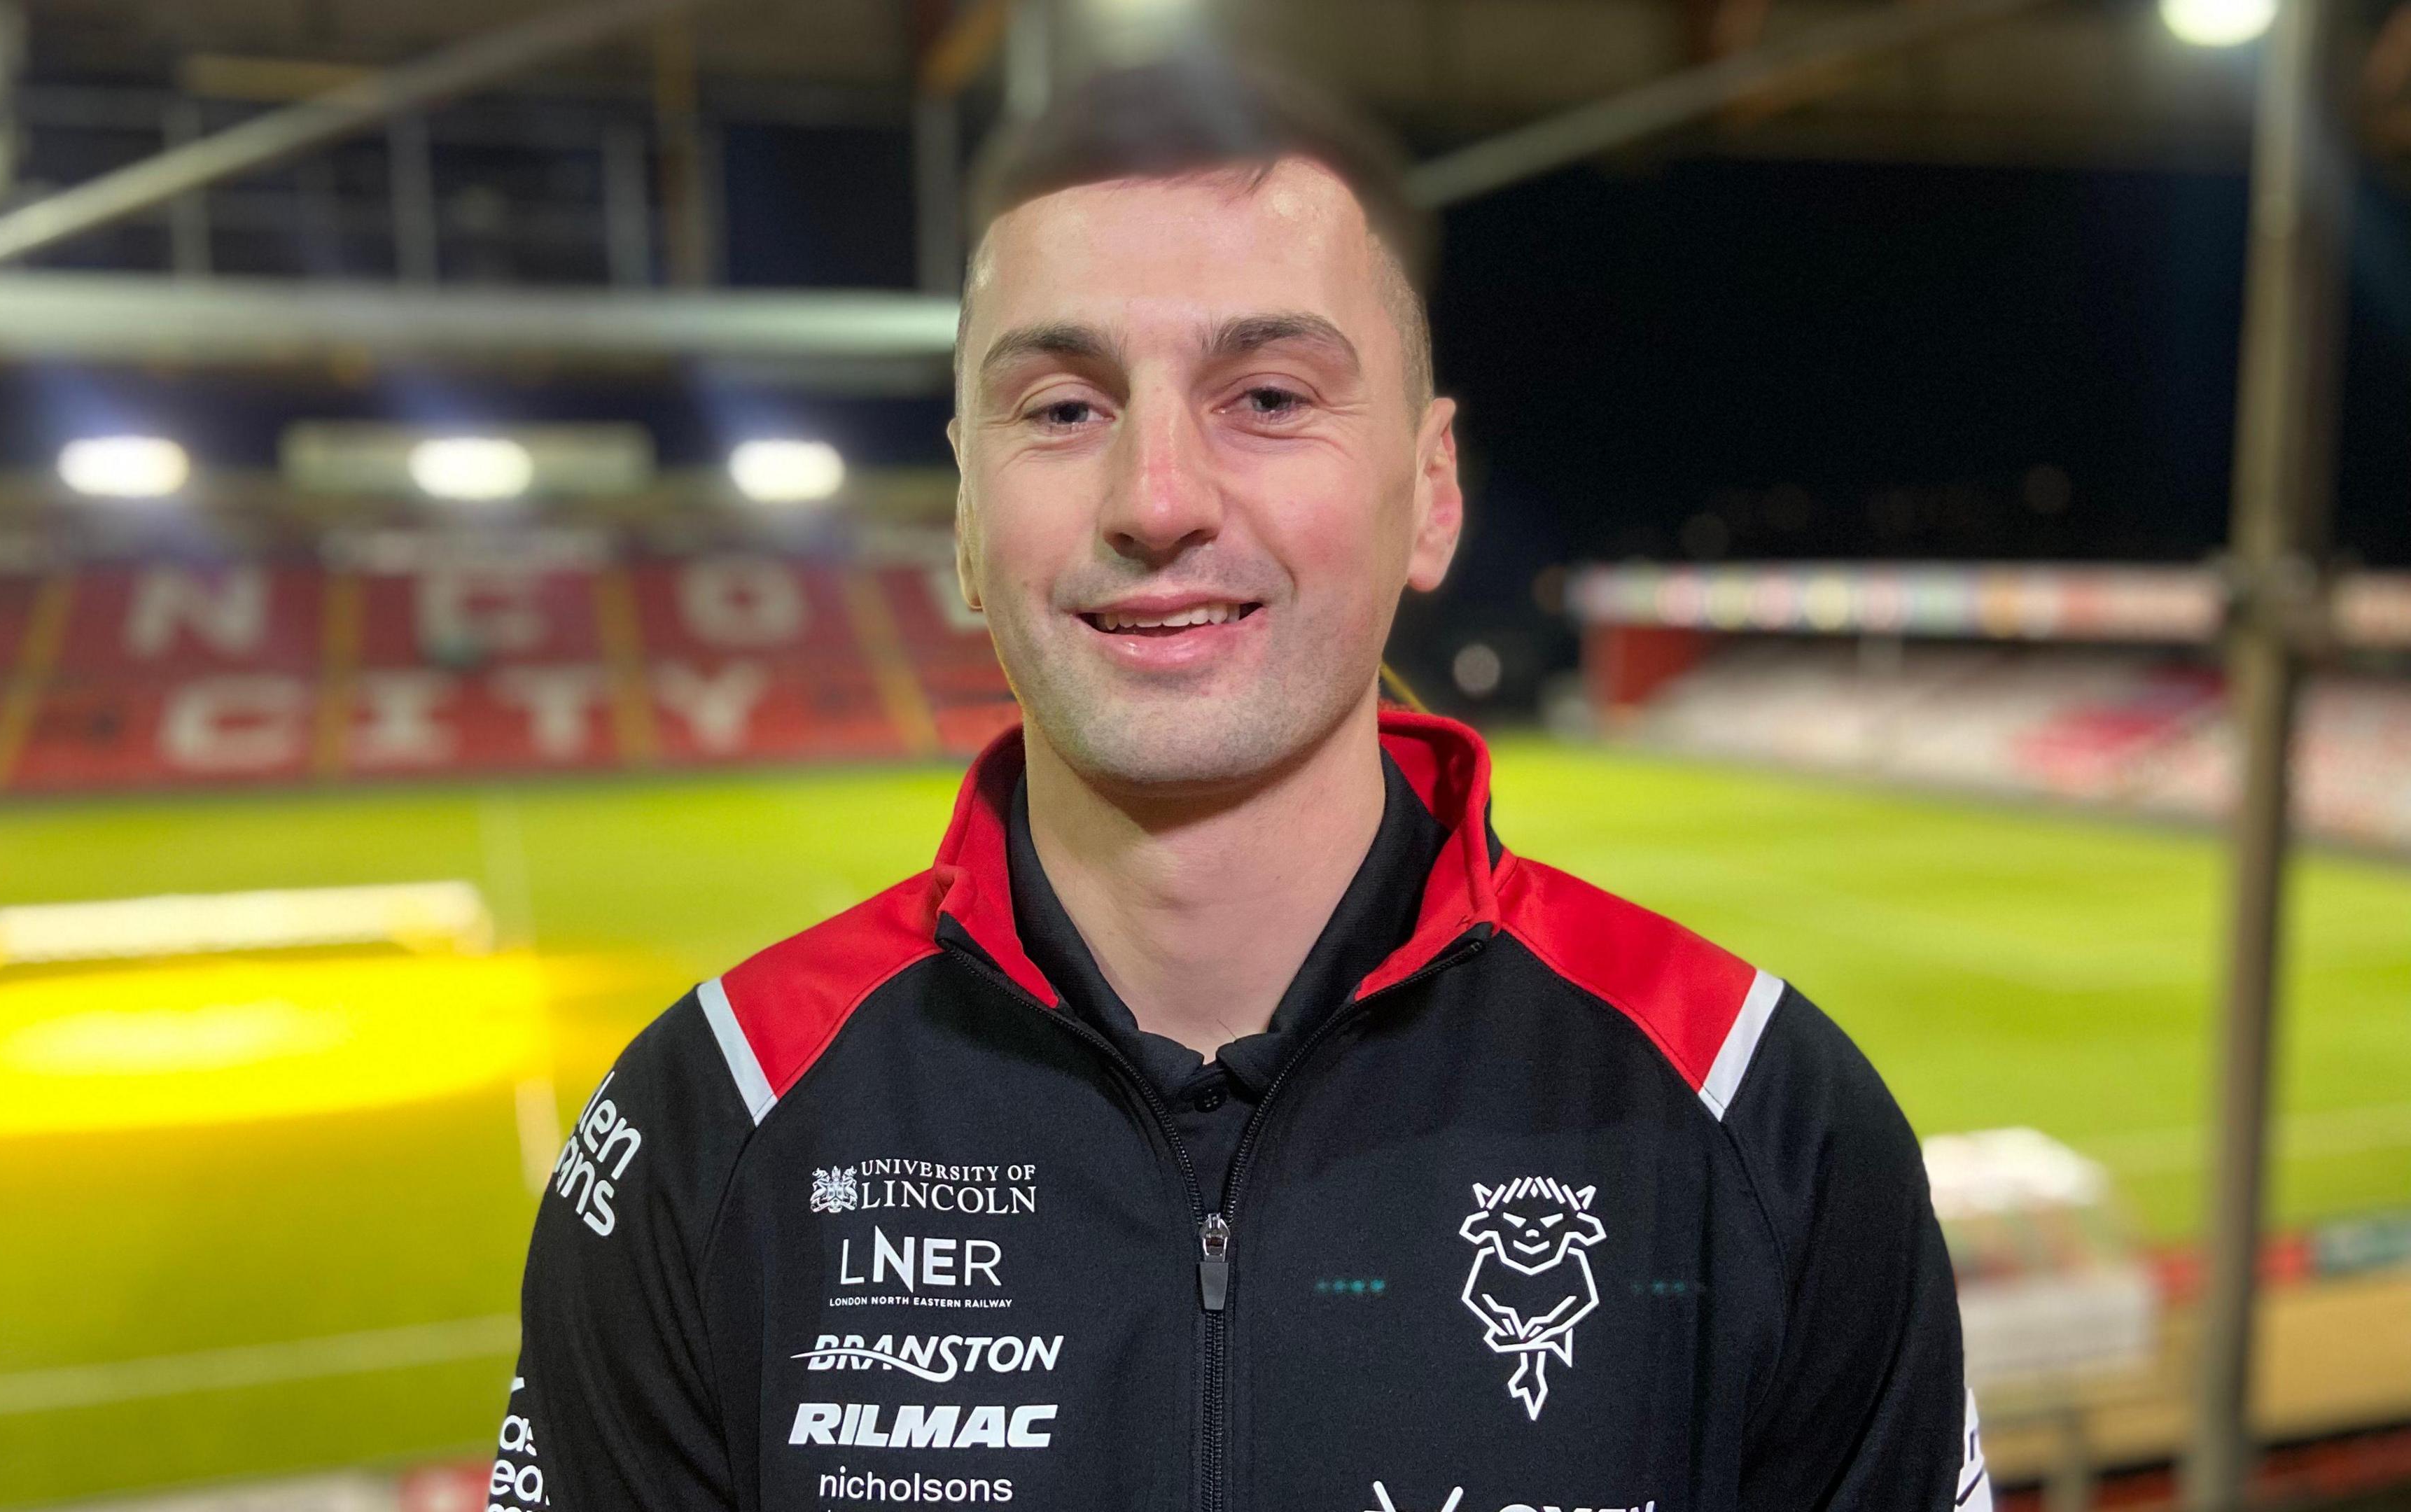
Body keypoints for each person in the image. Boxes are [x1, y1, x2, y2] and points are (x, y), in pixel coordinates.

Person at [495, 55, 1987, 1512]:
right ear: (963, 514)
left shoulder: (1770, 1119)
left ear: (1434, 491)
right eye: (1065, 408)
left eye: (1269, 396)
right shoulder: (703, 1130)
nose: (1157, 501)